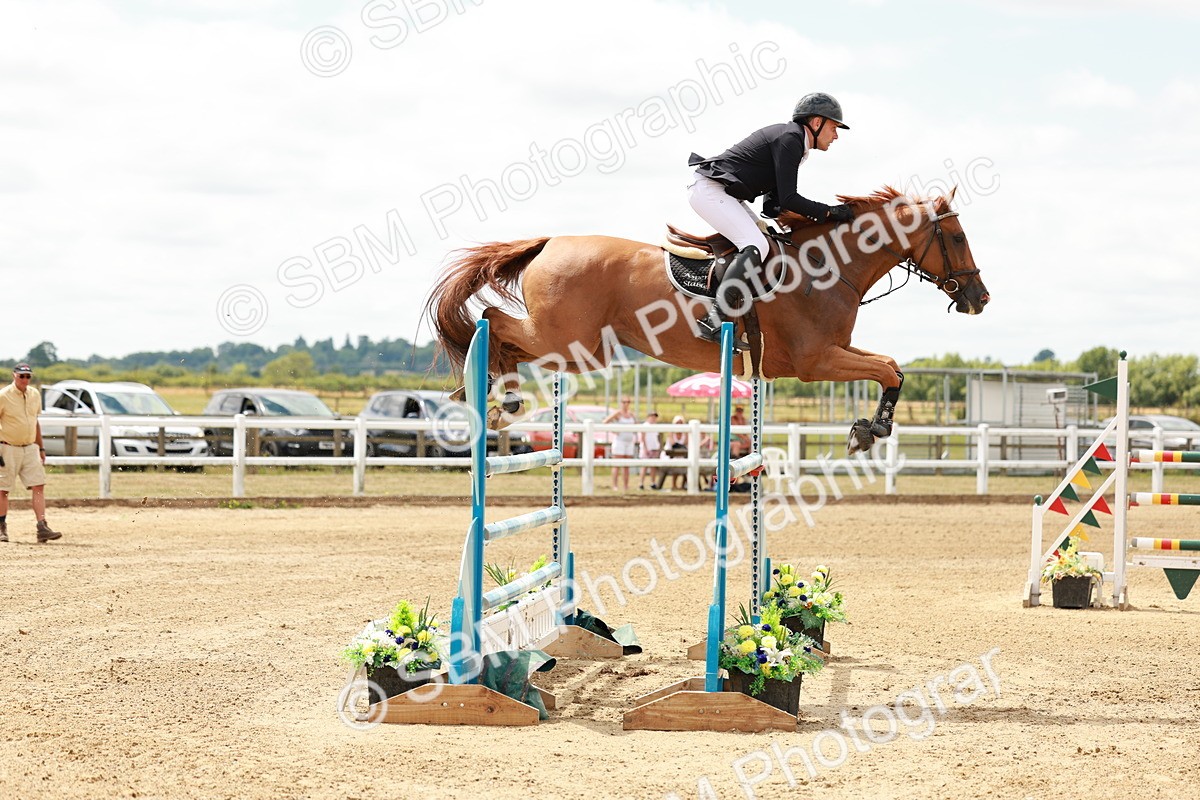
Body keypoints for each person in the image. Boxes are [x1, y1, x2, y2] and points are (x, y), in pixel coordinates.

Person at [687, 92, 853, 349]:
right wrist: (829, 212)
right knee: (758, 245)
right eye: (834, 127)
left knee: (766, 240)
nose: (836, 136)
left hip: (725, 194)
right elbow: (789, 199)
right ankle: (713, 321)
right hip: (711, 191)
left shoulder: (795, 142)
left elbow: (773, 204)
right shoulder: (791, 139)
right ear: (817, 122)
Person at [0, 363, 62, 543]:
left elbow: (35, 423)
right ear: (14, 376)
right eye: (22, 376)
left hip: (29, 448)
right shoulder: (3, 396)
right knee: (3, 489)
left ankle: (42, 526)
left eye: (28, 377)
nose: (25, 380)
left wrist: (40, 447)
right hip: (7, 447)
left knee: (38, 485)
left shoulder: (35, 395)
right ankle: (2, 527)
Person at [603, 398, 638, 491]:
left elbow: (636, 425)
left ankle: (626, 485)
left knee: (626, 465)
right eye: (624, 402)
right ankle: (615, 485)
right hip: (620, 441)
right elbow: (605, 422)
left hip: (629, 441)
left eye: (628, 402)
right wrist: (614, 430)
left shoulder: (631, 414)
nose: (626, 404)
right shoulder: (618, 413)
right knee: (617, 464)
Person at [637, 411, 662, 490]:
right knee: (644, 467)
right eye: (652, 416)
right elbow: (642, 438)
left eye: (655, 417)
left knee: (653, 467)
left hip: (654, 448)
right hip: (646, 449)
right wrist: (645, 448)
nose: (653, 418)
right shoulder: (645, 426)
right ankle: (641, 483)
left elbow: (657, 438)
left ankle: (652, 482)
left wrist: (658, 448)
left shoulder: (656, 426)